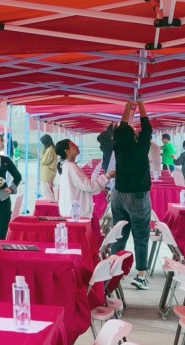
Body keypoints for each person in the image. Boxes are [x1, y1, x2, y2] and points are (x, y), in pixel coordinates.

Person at [109, 101, 154, 288]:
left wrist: (129, 108)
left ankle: (112, 272)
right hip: (138, 197)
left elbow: (123, 130)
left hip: (118, 196)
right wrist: (141, 105)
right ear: (135, 136)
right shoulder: (141, 148)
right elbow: (147, 127)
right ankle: (141, 275)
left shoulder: (118, 148)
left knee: (119, 234)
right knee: (141, 236)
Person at [54, 139, 99, 220]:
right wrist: (107, 177)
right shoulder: (70, 167)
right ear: (67, 151)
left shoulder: (67, 166)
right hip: (75, 213)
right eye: (73, 145)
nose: (77, 146)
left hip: (72, 211)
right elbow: (88, 186)